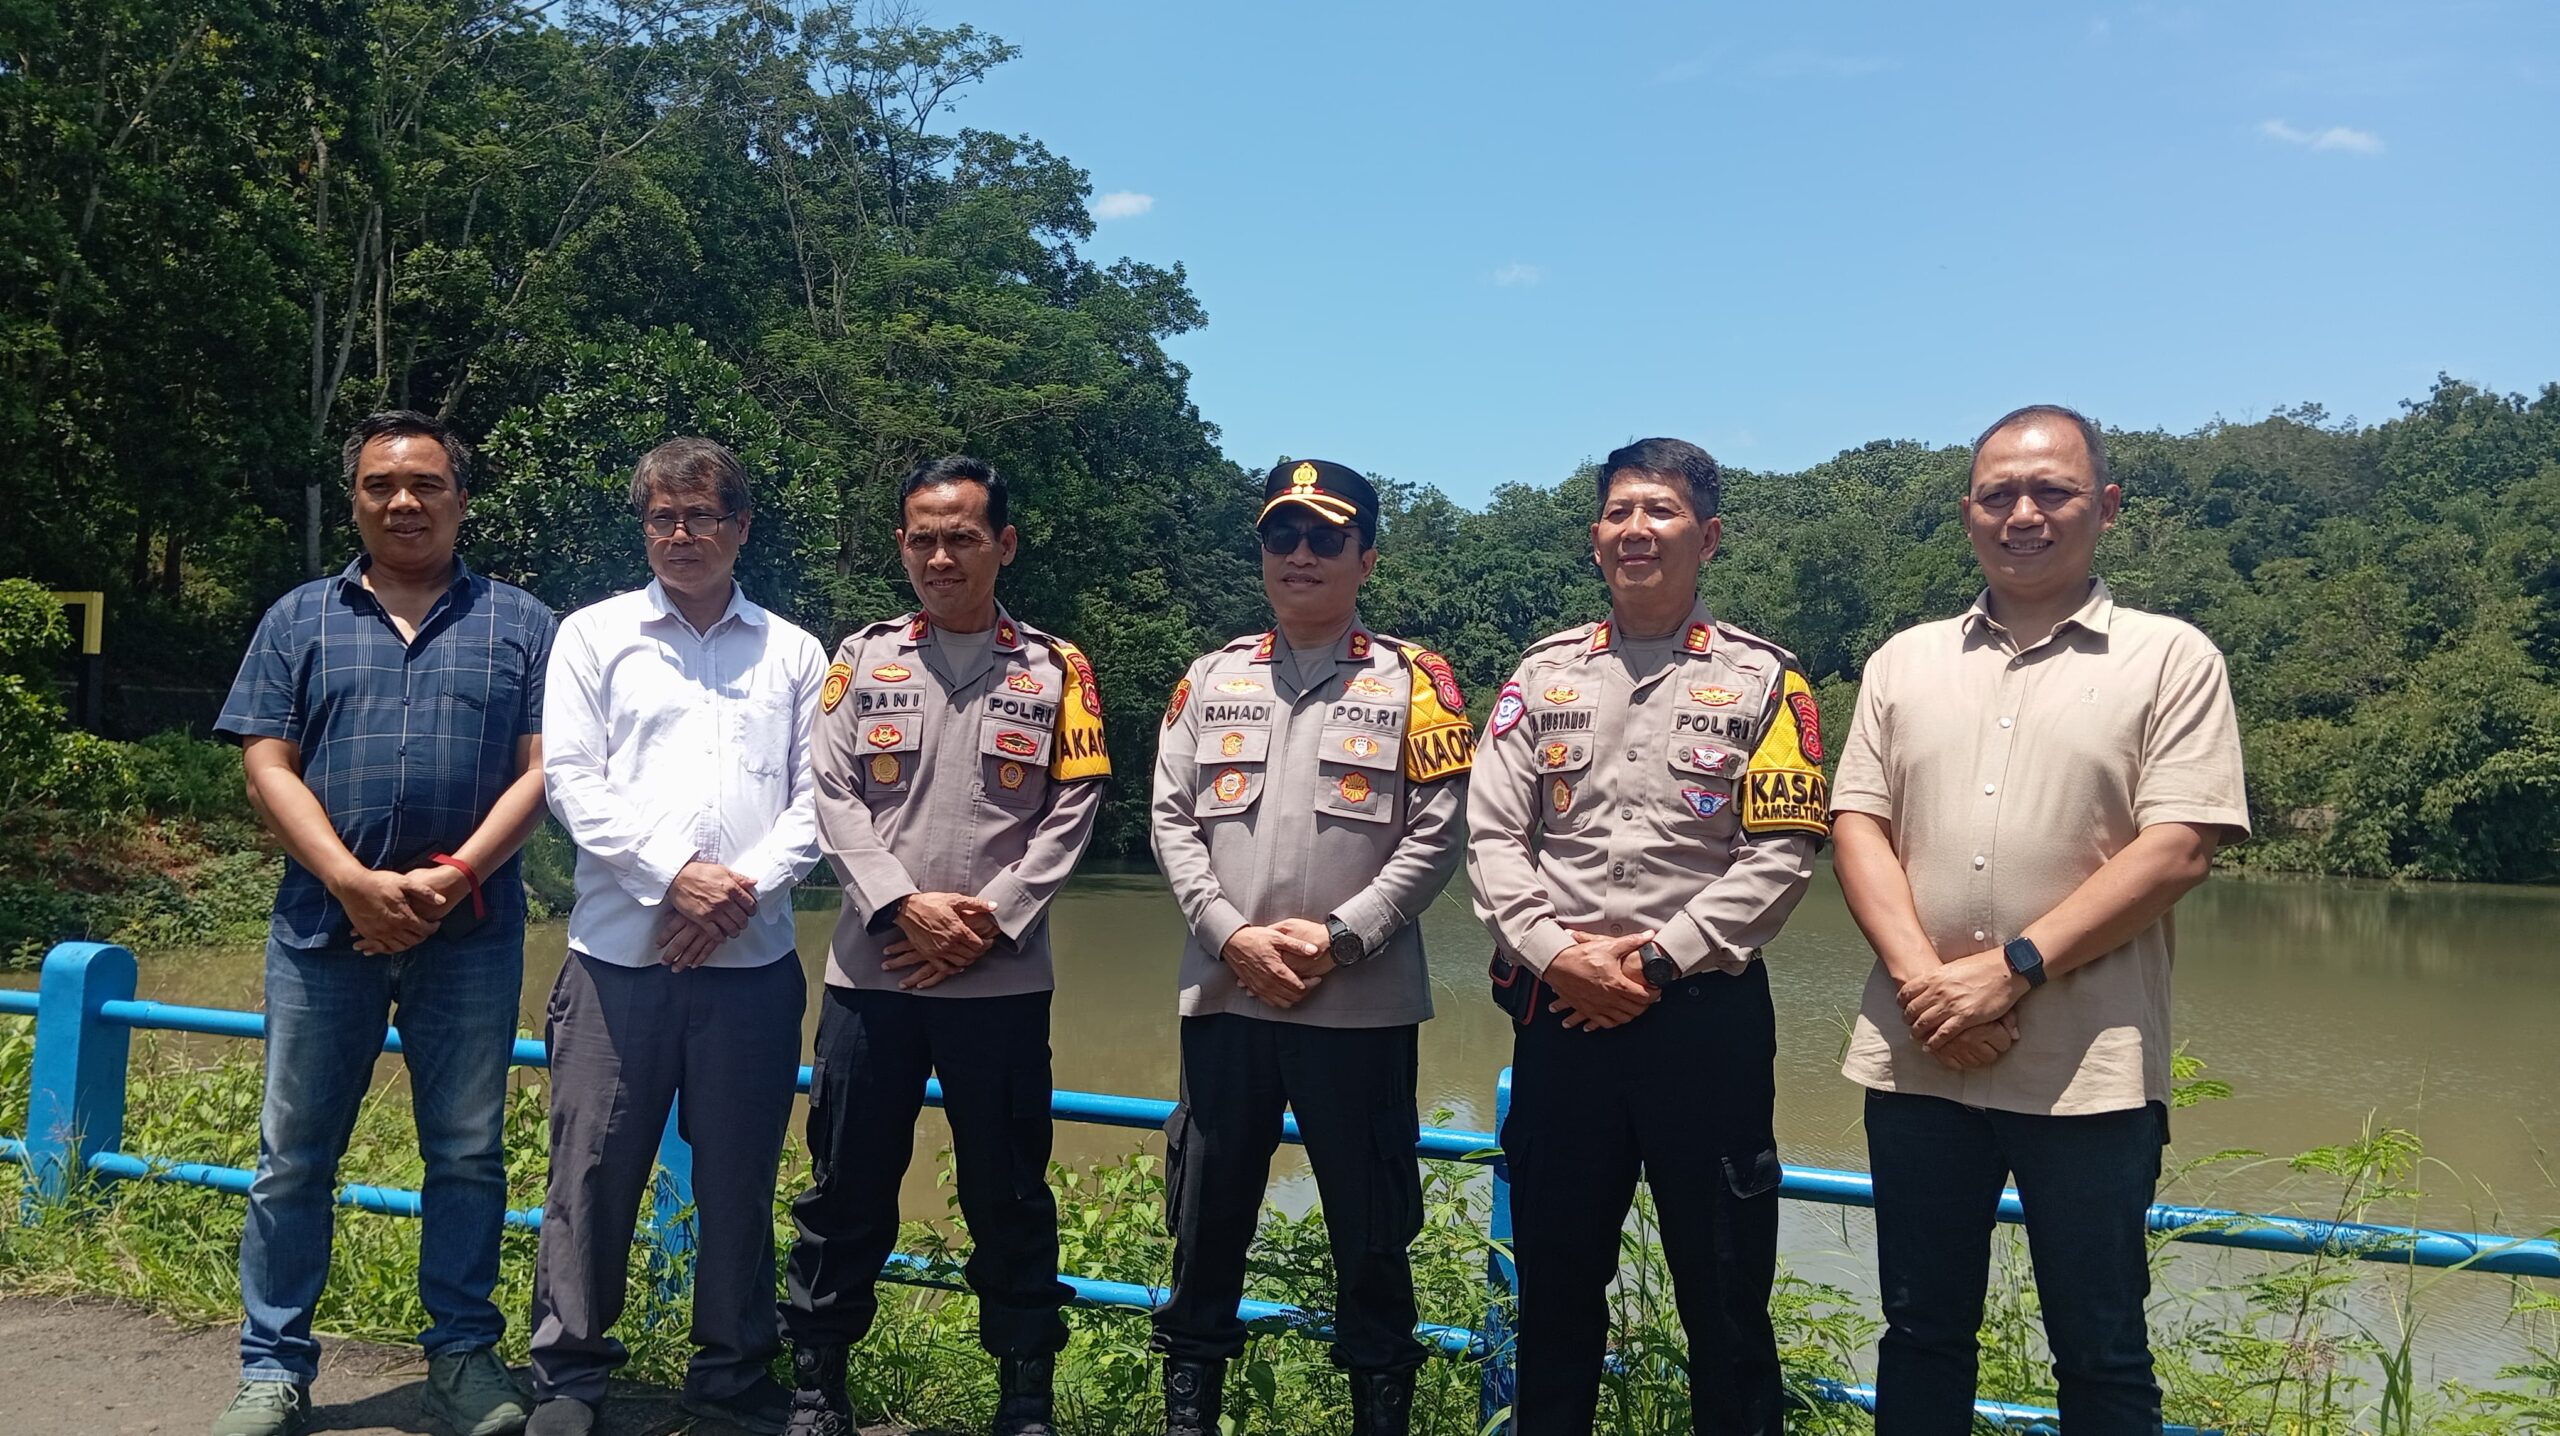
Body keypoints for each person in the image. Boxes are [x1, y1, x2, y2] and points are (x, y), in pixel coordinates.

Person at [1830, 405, 2249, 1435]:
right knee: (1920, 1332)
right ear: (1966, 512)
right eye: (1998, 495)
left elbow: (2179, 846)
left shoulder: (2171, 658)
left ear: (2105, 506)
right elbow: (1857, 826)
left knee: (2101, 1351)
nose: (2023, 514)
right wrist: (1929, 987)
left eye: (2052, 491)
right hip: (1919, 1059)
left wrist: (2009, 968)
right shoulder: (1903, 661)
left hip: (2088, 1069)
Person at [1466, 437, 1826, 1435]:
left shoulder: (1767, 681)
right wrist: (1557, 956)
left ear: (1706, 536)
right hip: (1559, 1016)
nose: (1637, 529)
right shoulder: (1541, 675)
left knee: (1725, 1299)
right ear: (1595, 539)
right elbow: (1491, 835)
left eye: (1660, 511)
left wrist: (1656, 962)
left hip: (1703, 1022)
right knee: (1553, 1294)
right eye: (1619, 512)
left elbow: (1782, 852)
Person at [211, 411, 554, 1436]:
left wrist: (450, 878)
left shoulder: (524, 623)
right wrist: (353, 881)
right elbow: (266, 762)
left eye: (425, 484)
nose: (403, 501)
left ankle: (463, 1356)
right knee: (293, 1155)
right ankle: (273, 1368)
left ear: (461, 498)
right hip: (322, 932)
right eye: (380, 486)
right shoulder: (299, 618)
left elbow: (546, 771)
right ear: (356, 502)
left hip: (472, 933)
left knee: (467, 1152)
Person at [781, 456, 1111, 1436]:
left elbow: (1076, 806)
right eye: (922, 537)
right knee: (845, 1184)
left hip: (999, 981)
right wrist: (899, 906)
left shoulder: (1059, 669)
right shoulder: (860, 659)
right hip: (871, 973)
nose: (940, 556)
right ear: (901, 545)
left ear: (1003, 544)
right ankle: (816, 1385)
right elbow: (829, 792)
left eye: (961, 536)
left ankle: (1023, 1393)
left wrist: (991, 919)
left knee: (1008, 1192)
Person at [1147, 459, 1475, 1436]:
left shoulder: (1418, 684)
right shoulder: (1209, 678)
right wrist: (1229, 934)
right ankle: (1188, 1416)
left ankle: (1380, 1411)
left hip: (1359, 1007)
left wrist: (1341, 937)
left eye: (1326, 537)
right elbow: (1170, 820)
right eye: (1281, 535)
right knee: (1204, 1225)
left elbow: (1438, 831)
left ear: (1365, 557)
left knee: (1371, 1236)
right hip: (1226, 996)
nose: (1300, 554)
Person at [526, 438, 826, 1436]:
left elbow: (819, 799)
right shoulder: (593, 635)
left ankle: (732, 1373)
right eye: (663, 517)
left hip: (751, 965)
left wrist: (734, 894)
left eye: (702, 516)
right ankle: (569, 1374)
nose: (681, 535)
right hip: (618, 960)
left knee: (740, 1177)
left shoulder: (794, 652)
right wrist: (674, 879)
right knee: (591, 1170)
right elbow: (573, 781)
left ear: (741, 527)